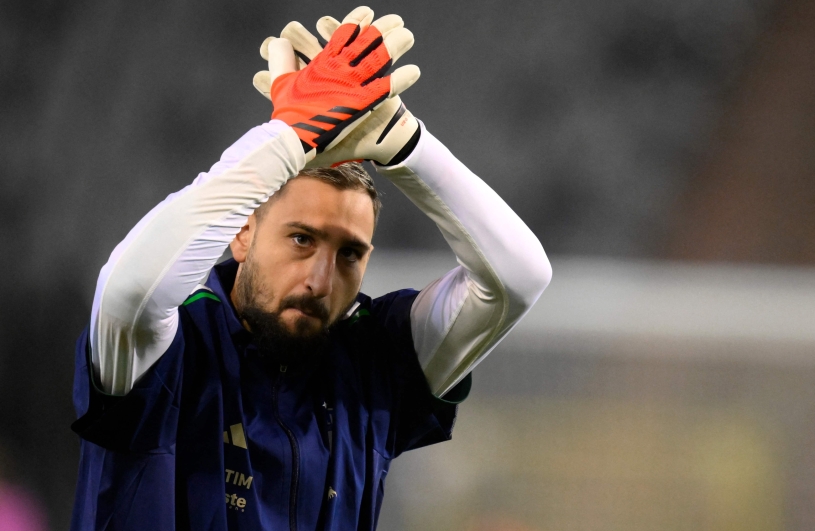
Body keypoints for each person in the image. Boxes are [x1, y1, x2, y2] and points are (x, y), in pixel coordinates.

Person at [69, 7, 551, 531]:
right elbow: (130, 288)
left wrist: (404, 141)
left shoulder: (373, 360)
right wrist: (290, 134)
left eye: (350, 254)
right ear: (243, 232)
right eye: (301, 239)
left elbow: (519, 275)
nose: (321, 280)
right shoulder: (170, 342)